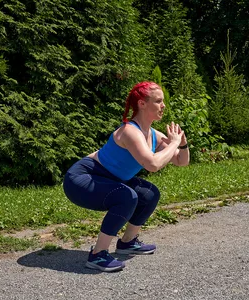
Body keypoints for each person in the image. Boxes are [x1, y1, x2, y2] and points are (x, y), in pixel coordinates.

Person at [63, 81, 190, 272]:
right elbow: (153, 164)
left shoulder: (153, 134)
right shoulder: (130, 131)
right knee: (127, 196)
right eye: (158, 101)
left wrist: (181, 144)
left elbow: (181, 161)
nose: (163, 105)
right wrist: (173, 143)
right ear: (142, 103)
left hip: (112, 178)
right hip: (82, 178)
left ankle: (127, 242)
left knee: (149, 194)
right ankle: (98, 255)